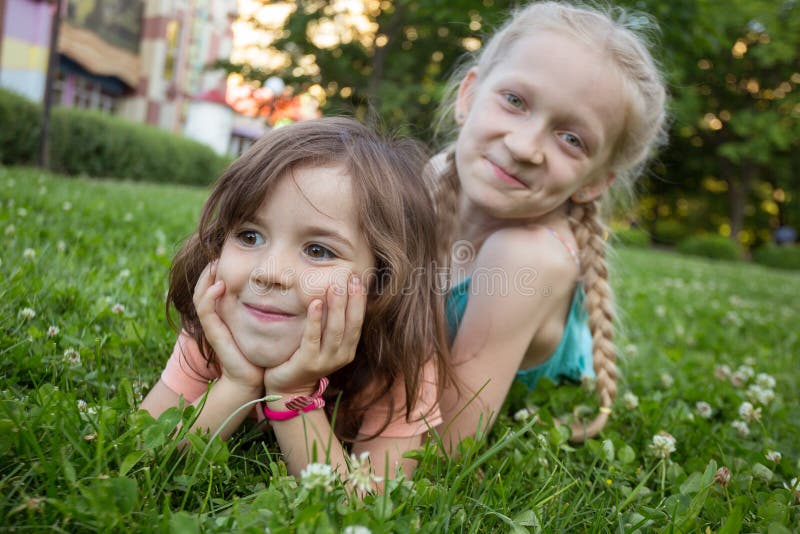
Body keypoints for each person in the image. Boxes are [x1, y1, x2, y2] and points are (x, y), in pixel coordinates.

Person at [141, 117, 450, 482]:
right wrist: (237, 382)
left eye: (318, 250)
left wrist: (293, 394)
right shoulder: (219, 319)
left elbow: (365, 507)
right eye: (250, 236)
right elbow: (146, 458)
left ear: (383, 280)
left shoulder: (401, 361)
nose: (269, 272)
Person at [432, 1, 668, 445]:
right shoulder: (435, 174)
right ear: (469, 96)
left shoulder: (527, 256)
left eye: (571, 139)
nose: (524, 146)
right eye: (515, 101)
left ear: (595, 180)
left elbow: (445, 444)